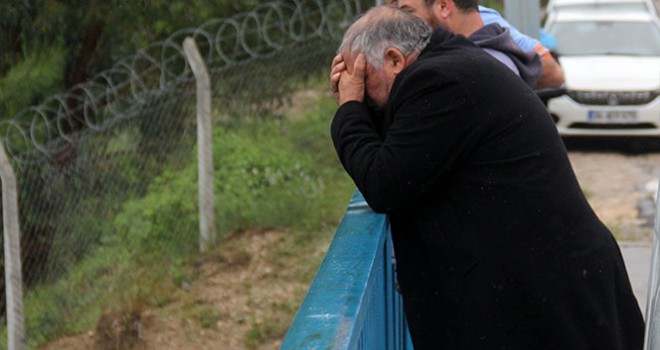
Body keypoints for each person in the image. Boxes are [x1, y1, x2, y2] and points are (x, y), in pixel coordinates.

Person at [330, 5, 644, 349]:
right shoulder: (452, 65)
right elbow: (405, 146)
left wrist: (349, 109)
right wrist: (361, 107)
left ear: (394, 59)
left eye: (364, 79)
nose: (359, 90)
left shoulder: (438, 82)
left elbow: (384, 183)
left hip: (551, 304)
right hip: (553, 293)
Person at [390, 0, 565, 89]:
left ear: (443, 6)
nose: (398, 17)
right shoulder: (390, 27)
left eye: (407, 11)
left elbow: (554, 74)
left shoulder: (484, 20)